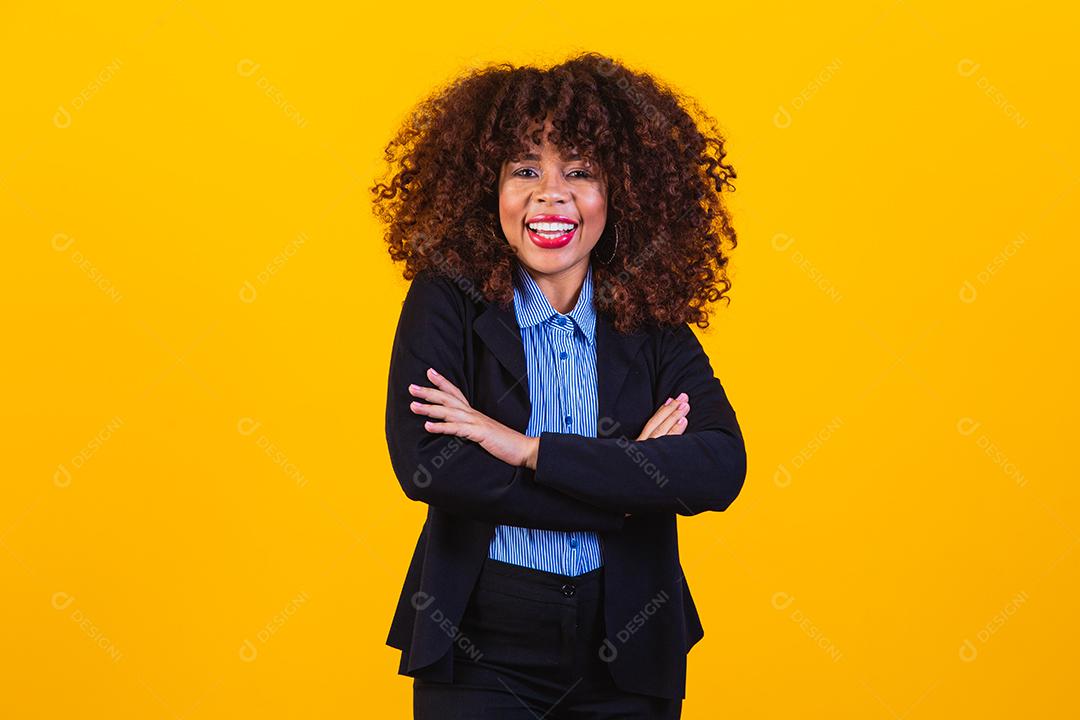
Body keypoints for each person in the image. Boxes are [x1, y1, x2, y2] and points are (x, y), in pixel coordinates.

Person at [372, 51, 746, 719]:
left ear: (621, 191)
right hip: (479, 643)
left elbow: (718, 467)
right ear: (485, 190)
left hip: (629, 641)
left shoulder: (652, 319)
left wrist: (530, 450)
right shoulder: (445, 301)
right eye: (524, 170)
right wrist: (627, 488)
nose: (551, 193)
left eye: (580, 171)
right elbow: (433, 467)